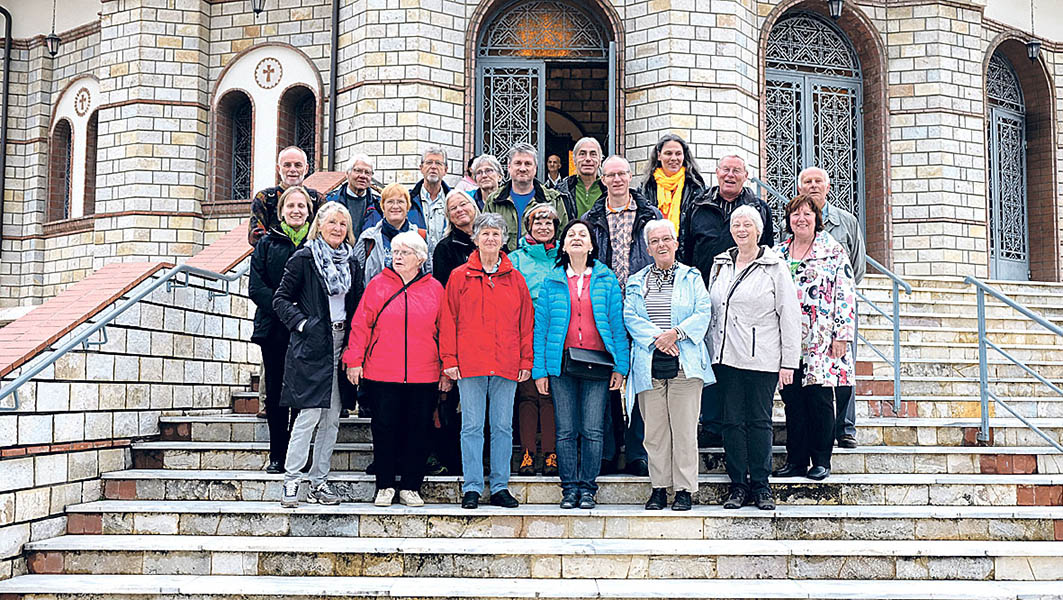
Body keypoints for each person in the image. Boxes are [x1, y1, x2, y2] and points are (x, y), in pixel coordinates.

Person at [344, 231, 448, 508]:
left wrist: (447, 368)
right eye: (395, 252)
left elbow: (446, 330)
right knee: (384, 429)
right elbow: (361, 325)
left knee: (419, 430)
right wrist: (354, 360)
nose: (397, 257)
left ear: (420, 258)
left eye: (405, 253)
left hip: (424, 373)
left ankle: (411, 486)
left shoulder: (435, 288)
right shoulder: (378, 284)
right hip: (382, 372)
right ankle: (385, 485)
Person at [708, 205, 800, 510]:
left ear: (758, 230)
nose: (741, 229)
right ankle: (738, 486)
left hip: (762, 357)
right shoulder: (720, 263)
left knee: (759, 422)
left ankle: (761, 486)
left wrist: (789, 362)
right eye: (736, 224)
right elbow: (714, 311)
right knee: (732, 422)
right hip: (727, 357)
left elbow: (789, 316)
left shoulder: (775, 266)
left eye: (747, 224)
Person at [273, 203, 365, 507]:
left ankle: (319, 482)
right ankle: (291, 481)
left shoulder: (352, 263)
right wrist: (303, 324)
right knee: (308, 415)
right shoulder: (304, 258)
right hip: (313, 344)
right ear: (320, 225)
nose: (338, 228)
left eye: (343, 224)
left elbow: (358, 305)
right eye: (332, 223)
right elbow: (281, 299)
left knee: (332, 419)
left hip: (342, 342)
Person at [533, 219, 629, 509]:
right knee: (565, 430)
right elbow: (541, 329)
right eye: (571, 234)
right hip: (561, 366)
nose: (576, 238)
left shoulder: (606, 279)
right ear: (563, 245)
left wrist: (620, 367)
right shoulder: (551, 281)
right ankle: (569, 488)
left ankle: (588, 487)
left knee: (592, 429)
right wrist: (541, 370)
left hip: (597, 365)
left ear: (591, 245)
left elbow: (616, 324)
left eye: (582, 234)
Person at [440, 213, 534, 510]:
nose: (491, 239)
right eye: (485, 234)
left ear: (503, 240)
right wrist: (449, 358)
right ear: (475, 239)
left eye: (496, 234)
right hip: (471, 363)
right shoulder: (459, 276)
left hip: (506, 363)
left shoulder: (516, 279)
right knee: (471, 426)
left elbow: (525, 323)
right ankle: (471, 486)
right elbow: (448, 319)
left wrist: (525, 361)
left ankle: (500, 486)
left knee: (503, 427)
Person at [682, 155, 774, 449]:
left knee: (738, 361)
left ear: (746, 175)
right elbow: (686, 246)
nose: (730, 175)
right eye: (726, 170)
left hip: (749, 301)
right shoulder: (698, 204)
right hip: (705, 294)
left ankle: (741, 422)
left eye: (737, 171)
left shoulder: (758, 208)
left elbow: (768, 249)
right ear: (717, 172)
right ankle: (711, 424)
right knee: (709, 357)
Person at [624, 219, 713, 511]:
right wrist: (658, 338)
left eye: (667, 239)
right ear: (648, 248)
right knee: (656, 432)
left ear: (676, 244)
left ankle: (684, 489)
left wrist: (676, 334)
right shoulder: (637, 281)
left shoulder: (692, 277)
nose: (662, 245)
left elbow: (703, 310)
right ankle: (659, 488)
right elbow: (631, 317)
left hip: (685, 362)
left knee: (685, 429)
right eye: (655, 241)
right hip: (650, 362)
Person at [583, 155, 661, 476]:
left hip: (642, 305)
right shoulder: (591, 218)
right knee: (607, 376)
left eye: (622, 174)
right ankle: (608, 450)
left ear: (631, 177)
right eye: (610, 175)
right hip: (605, 305)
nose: (616, 180)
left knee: (642, 377)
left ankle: (638, 451)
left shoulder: (649, 214)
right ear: (603, 179)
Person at [773, 194, 856, 481]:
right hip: (786, 340)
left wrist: (842, 334)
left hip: (820, 338)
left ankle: (821, 459)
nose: (801, 219)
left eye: (807, 214)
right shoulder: (777, 253)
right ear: (789, 220)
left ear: (816, 218)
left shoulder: (832, 250)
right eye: (795, 214)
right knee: (793, 400)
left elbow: (845, 293)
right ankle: (796, 459)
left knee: (819, 400)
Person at [798, 166, 866, 449]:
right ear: (800, 187)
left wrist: (835, 297)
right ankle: (813, 426)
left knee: (842, 366)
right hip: (805, 311)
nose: (813, 186)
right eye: (807, 182)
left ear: (828, 187)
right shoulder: (792, 219)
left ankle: (845, 427)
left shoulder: (846, 221)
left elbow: (858, 266)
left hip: (839, 307)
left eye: (818, 182)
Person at [249, 186, 313, 474]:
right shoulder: (267, 243)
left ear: (309, 212)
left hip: (306, 330)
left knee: (301, 394)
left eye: (302, 206)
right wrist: (284, 309)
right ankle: (277, 454)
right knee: (275, 393)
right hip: (274, 329)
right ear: (282, 211)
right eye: (291, 206)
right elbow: (256, 285)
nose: (296, 210)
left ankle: (298, 454)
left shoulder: (316, 243)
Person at [510, 204, 562, 476]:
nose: (543, 228)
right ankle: (528, 452)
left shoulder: (562, 257)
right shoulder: (516, 258)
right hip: (526, 330)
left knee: (549, 394)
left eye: (549, 223)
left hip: (555, 332)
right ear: (529, 227)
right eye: (538, 223)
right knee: (528, 394)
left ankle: (551, 452)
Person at [483, 143, 571, 250]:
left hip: (542, 263)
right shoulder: (494, 201)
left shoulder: (553, 199)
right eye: (518, 163)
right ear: (509, 166)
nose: (523, 168)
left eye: (528, 164)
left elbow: (563, 238)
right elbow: (485, 236)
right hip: (503, 263)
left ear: (535, 168)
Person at [354, 183, 429, 287]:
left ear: (407, 206)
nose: (395, 206)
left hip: (412, 300)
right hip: (377, 301)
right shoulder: (368, 238)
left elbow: (428, 275)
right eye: (390, 202)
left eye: (400, 202)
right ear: (383, 206)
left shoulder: (421, 237)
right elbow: (356, 278)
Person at [249, 146, 323, 245]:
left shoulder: (317, 200)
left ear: (306, 169)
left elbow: (325, 232)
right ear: (278, 169)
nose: (292, 170)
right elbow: (255, 235)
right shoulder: (265, 198)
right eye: (287, 165)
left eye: (298, 165)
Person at [640, 134, 706, 235]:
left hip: (686, 249)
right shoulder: (645, 189)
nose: (674, 158)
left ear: (684, 156)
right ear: (659, 155)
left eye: (678, 153)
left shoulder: (697, 189)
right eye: (668, 153)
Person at [404, 147, 451, 251]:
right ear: (421, 168)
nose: (433, 167)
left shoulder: (453, 201)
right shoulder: (407, 200)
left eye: (438, 163)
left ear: (445, 170)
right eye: (429, 162)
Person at [433, 190, 480, 288]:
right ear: (449, 216)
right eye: (453, 208)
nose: (459, 210)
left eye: (463, 204)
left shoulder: (490, 238)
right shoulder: (444, 248)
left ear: (474, 206)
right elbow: (444, 287)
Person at [326, 154, 380, 234]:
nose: (363, 176)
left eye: (367, 172)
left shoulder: (378, 206)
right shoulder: (330, 202)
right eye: (358, 171)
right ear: (347, 174)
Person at [555, 137, 605, 218]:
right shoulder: (561, 190)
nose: (588, 159)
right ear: (574, 160)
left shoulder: (608, 189)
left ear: (600, 160)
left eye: (593, 154)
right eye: (582, 154)